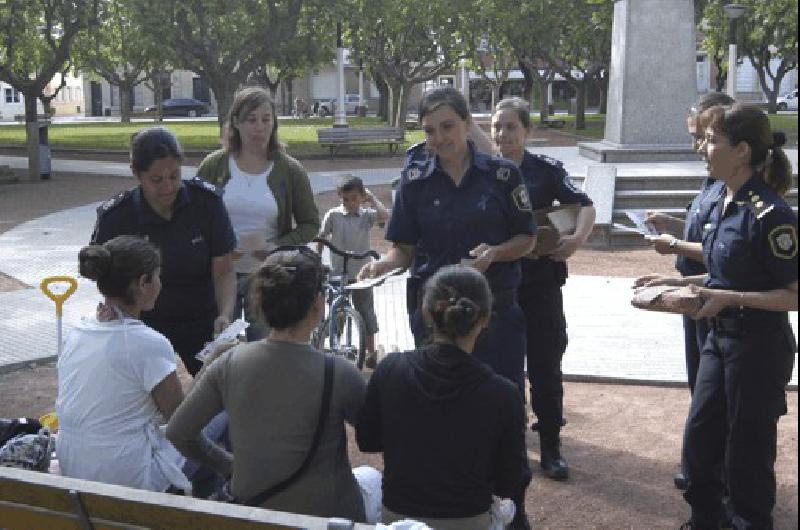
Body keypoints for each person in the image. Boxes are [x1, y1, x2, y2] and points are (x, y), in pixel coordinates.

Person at [636, 103, 797, 529]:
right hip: (718, 339)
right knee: (702, 437)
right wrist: (678, 285)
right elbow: (725, 271)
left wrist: (731, 297)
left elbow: (793, 295)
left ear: (742, 151)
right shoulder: (721, 201)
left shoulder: (772, 214)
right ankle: (705, 517)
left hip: (758, 347)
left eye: (712, 140)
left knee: (747, 450)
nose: (703, 147)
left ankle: (749, 521)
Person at [359, 87, 537, 398]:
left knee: (499, 404)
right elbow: (404, 248)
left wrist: (496, 253)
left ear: (467, 124)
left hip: (493, 313)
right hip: (435, 317)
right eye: (430, 130)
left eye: (447, 126)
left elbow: (528, 238)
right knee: (438, 407)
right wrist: (383, 265)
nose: (439, 137)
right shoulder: (413, 181)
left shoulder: (503, 175)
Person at [166, 247, 367, 522]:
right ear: (318, 304)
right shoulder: (339, 372)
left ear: (260, 305)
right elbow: (372, 438)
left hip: (254, 510)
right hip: (327, 513)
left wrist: (228, 465)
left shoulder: (228, 361)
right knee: (371, 479)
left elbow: (179, 431)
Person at [356, 265, 532, 530]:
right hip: (469, 520)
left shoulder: (390, 368)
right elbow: (511, 480)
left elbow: (367, 440)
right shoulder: (504, 393)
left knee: (366, 479)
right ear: (484, 319)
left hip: (400, 518)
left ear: (427, 314)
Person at [490, 97, 596, 480]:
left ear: (527, 131)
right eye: (496, 126)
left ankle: (550, 444)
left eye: (511, 127)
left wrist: (576, 240)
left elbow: (584, 206)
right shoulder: (482, 172)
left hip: (540, 288)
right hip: (498, 289)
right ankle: (508, 445)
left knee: (545, 367)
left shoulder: (545, 171)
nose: (502, 134)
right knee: (500, 370)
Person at [644, 91, 735, 491]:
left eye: (704, 136)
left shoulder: (736, 188)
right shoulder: (711, 182)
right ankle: (701, 468)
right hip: (695, 298)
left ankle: (716, 475)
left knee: (716, 398)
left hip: (718, 302)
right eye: (696, 136)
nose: (697, 145)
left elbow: (727, 249)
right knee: (701, 389)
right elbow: (708, 234)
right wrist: (675, 226)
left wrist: (678, 246)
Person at [91, 127, 236, 376]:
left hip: (201, 318)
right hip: (140, 322)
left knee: (222, 385)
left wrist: (224, 315)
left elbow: (224, 271)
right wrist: (114, 316)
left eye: (174, 175)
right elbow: (103, 277)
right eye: (156, 180)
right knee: (138, 394)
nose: (168, 187)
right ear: (137, 174)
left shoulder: (206, 203)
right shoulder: (117, 217)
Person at [56, 235, 190, 492]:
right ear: (143, 283)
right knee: (220, 420)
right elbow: (181, 419)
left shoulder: (78, 333)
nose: (160, 284)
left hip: (74, 464)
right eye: (157, 276)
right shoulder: (147, 342)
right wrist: (212, 369)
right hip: (127, 474)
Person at [196, 86, 320, 341]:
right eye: (251, 120)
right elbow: (193, 218)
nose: (259, 127)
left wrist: (278, 247)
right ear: (236, 123)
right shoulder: (214, 165)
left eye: (266, 119)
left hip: (266, 278)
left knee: (263, 348)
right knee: (219, 346)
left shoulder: (290, 170)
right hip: (220, 276)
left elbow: (310, 224)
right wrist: (216, 247)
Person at [316, 175, 389, 365]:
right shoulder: (333, 215)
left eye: (355, 198)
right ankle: (334, 346)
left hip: (361, 273)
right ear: (340, 197)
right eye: (345, 199)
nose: (350, 203)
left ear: (362, 196)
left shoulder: (366, 215)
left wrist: (372, 199)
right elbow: (322, 237)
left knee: (366, 311)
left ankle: (371, 352)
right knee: (337, 312)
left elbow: (384, 216)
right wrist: (318, 260)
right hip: (338, 272)